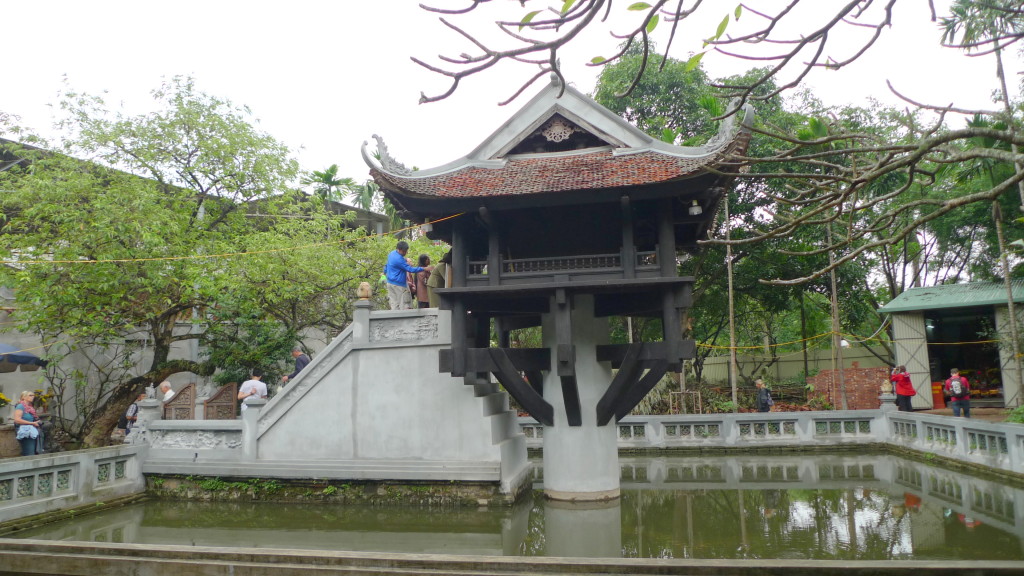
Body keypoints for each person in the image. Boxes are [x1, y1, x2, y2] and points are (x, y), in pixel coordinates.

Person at [384, 241, 431, 310]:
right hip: (399, 285)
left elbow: (386, 265)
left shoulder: (392, 254)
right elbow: (410, 269)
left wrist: (384, 272)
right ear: (399, 250)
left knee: (394, 304)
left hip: (390, 283)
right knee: (404, 304)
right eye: (404, 251)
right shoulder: (399, 259)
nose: (406, 253)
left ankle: (395, 318)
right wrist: (424, 268)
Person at [12, 390, 42, 456]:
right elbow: (17, 420)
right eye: (30, 395)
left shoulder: (30, 408)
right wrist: (32, 423)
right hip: (25, 432)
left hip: (31, 431)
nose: (33, 397)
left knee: (34, 451)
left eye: (33, 395)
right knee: (29, 452)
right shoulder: (20, 406)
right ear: (23, 397)